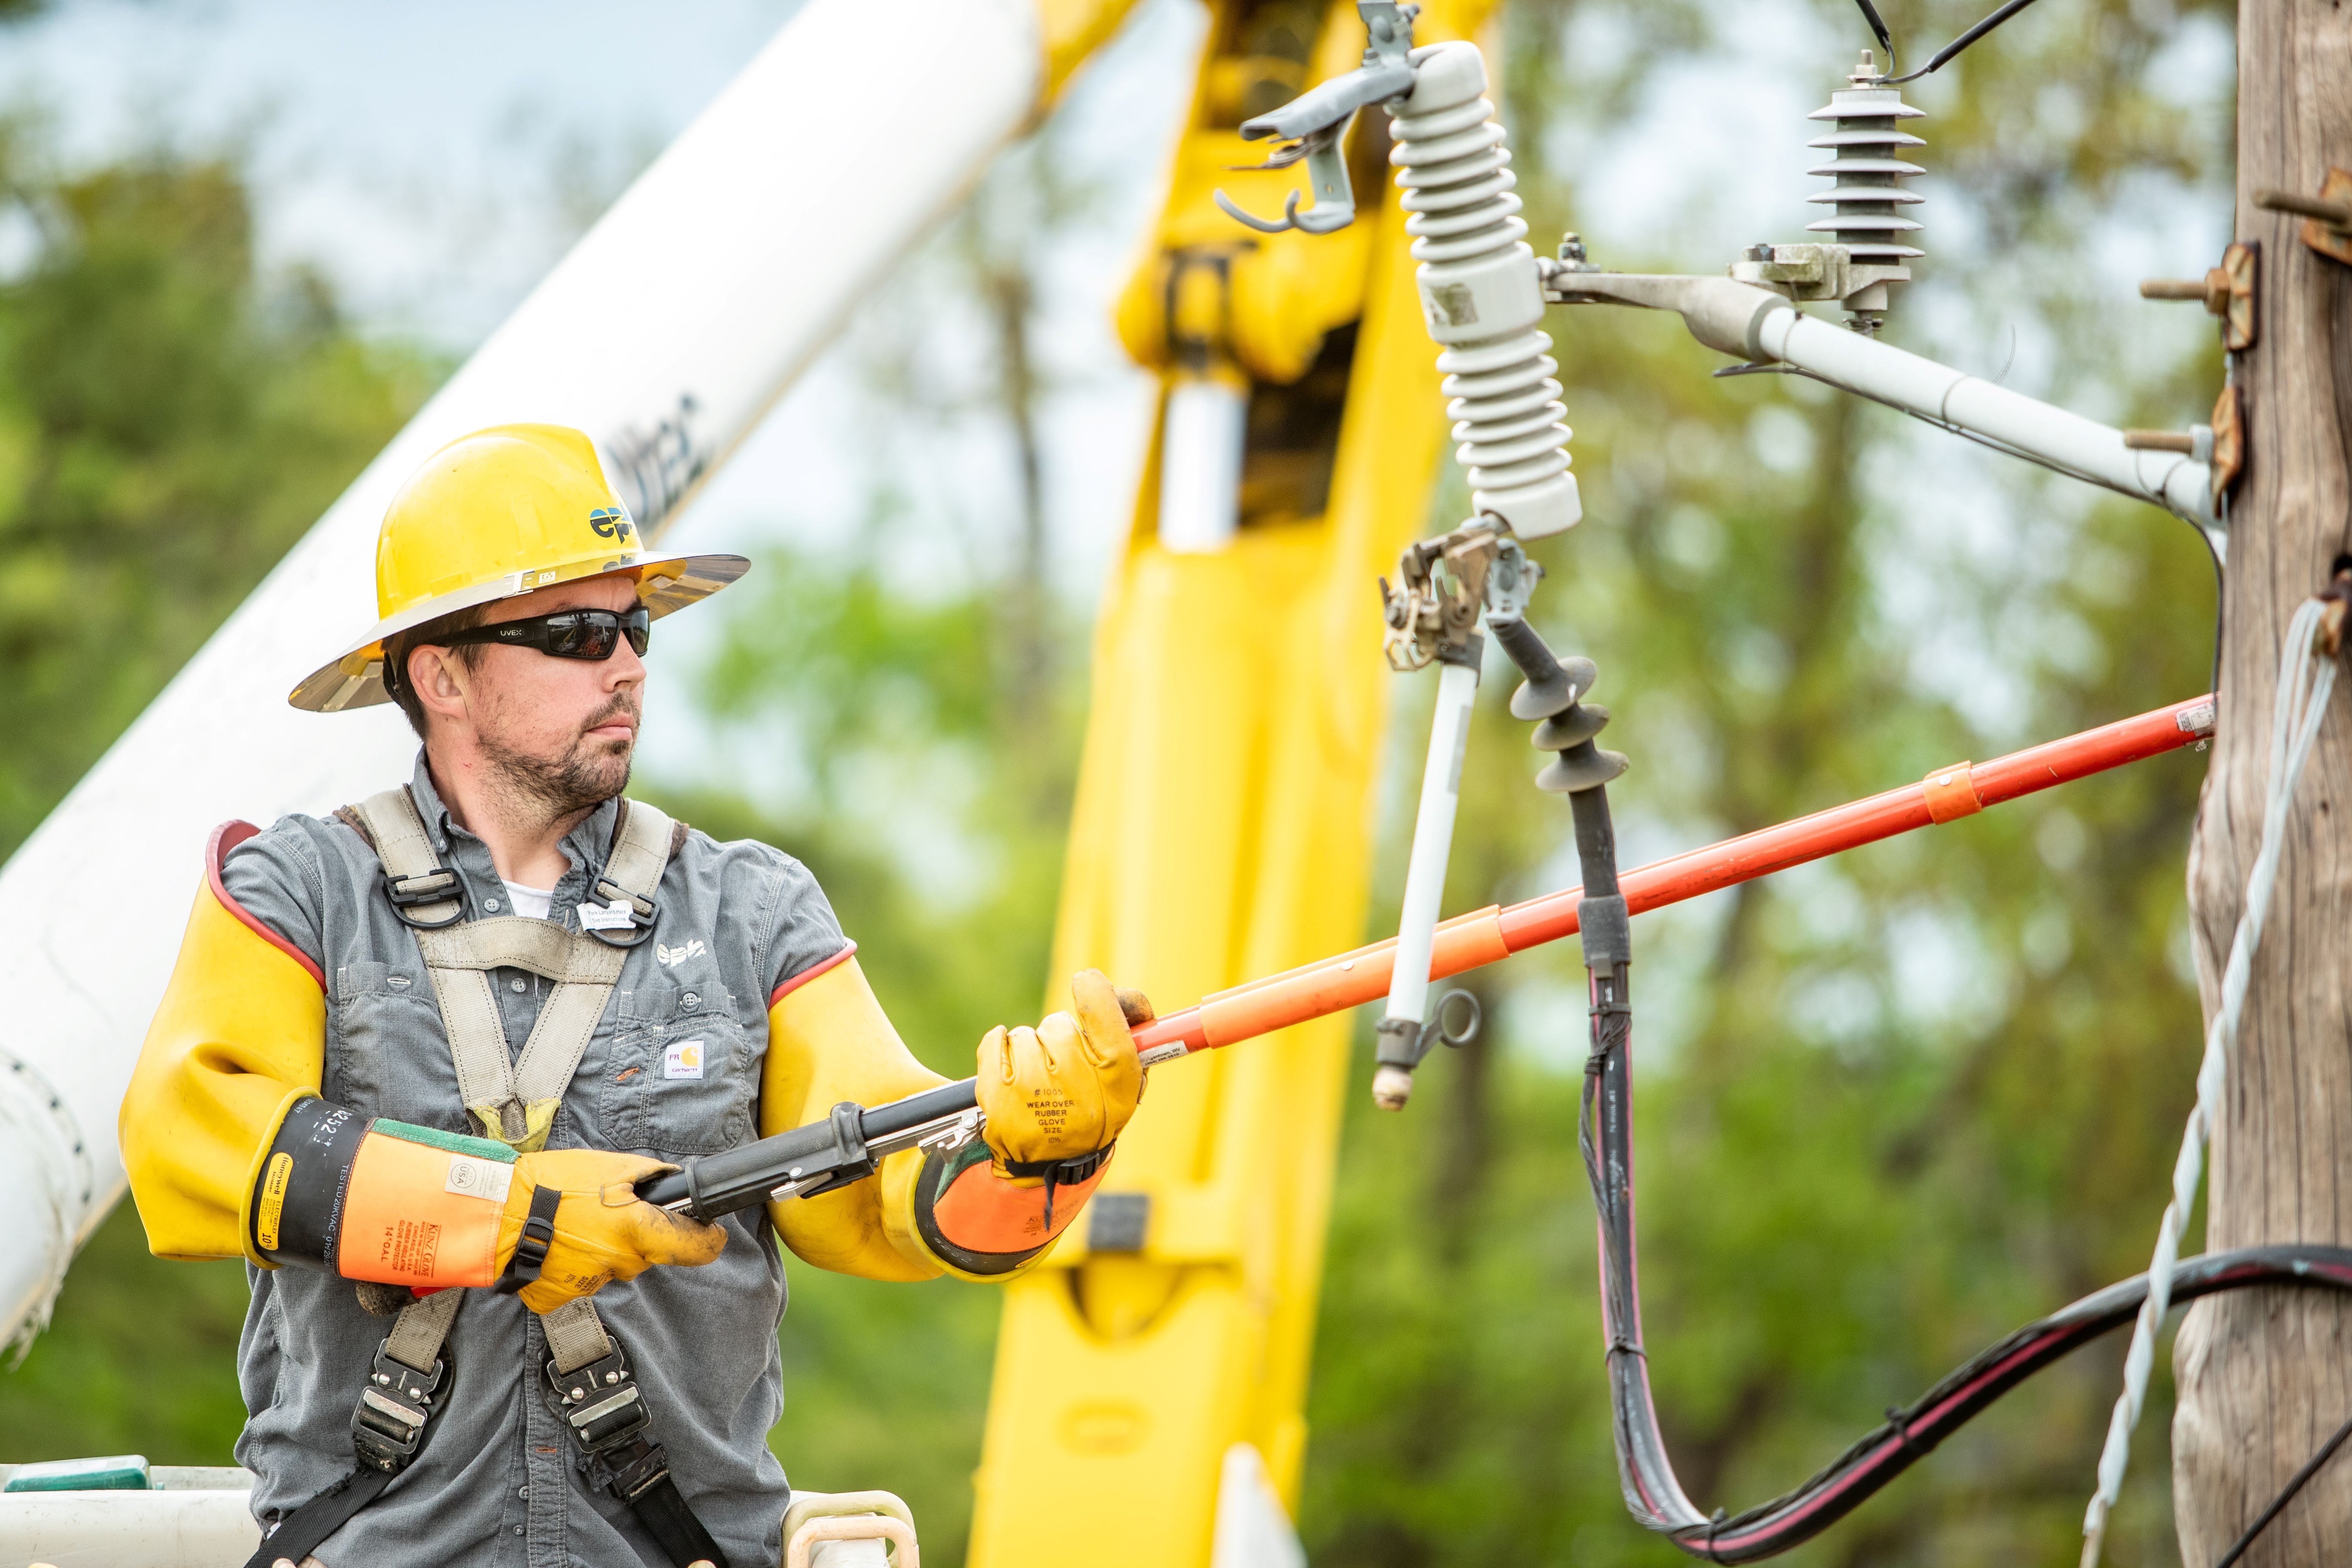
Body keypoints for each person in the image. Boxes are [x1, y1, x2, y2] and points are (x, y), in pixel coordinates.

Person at [119, 425, 1146, 1568]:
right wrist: (518, 1217)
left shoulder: (753, 915)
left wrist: (1035, 1156)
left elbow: (872, 1201)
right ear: (439, 674)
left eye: (635, 626)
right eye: (574, 631)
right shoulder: (303, 893)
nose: (627, 665)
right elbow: (184, 1149)